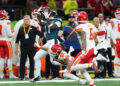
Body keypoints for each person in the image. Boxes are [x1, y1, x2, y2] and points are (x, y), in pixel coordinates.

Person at [33, 7, 62, 81]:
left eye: (50, 14)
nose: (49, 14)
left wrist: (47, 18)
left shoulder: (58, 20)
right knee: (36, 57)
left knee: (53, 61)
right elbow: (41, 23)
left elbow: (52, 27)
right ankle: (37, 76)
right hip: (48, 42)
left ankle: (58, 74)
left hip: (54, 42)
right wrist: (39, 14)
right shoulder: (47, 20)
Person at [15, 15, 43, 81]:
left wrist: (37, 44)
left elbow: (41, 35)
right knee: (22, 62)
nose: (26, 21)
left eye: (27, 19)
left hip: (32, 48)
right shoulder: (21, 29)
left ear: (30, 20)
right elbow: (17, 40)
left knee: (32, 62)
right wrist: (16, 49)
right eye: (25, 19)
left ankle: (31, 76)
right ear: (23, 21)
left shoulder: (33, 28)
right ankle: (22, 76)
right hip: (23, 48)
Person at [0, 10, 17, 79]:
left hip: (0, 40)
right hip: (7, 41)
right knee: (9, 58)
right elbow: (9, 34)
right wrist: (14, 33)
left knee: (1, 58)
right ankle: (10, 74)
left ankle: (1, 74)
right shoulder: (7, 22)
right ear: (4, 15)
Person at [110, 8, 120, 77]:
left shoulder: (113, 20)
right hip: (117, 40)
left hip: (117, 40)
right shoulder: (113, 21)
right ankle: (116, 72)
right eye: (117, 13)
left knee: (117, 57)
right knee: (117, 56)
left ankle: (117, 72)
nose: (119, 15)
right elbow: (109, 27)